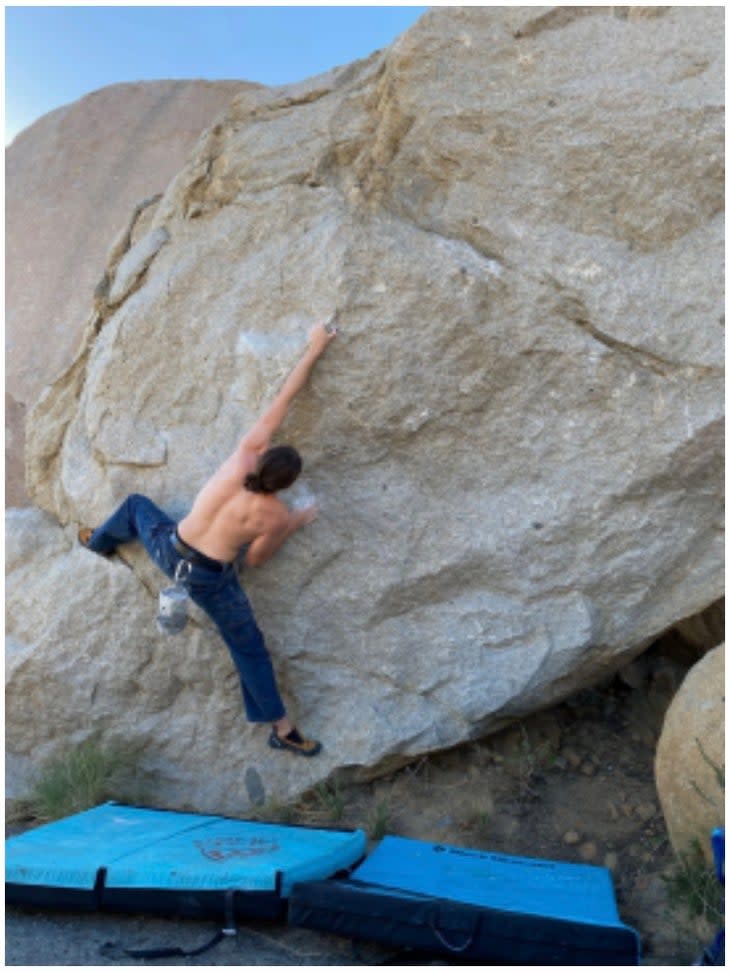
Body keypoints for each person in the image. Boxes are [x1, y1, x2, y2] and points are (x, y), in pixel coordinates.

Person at [78, 321, 337, 757]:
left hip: (165, 546)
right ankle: (283, 729)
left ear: (263, 458)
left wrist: (312, 349)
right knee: (249, 648)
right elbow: (255, 561)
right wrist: (296, 521)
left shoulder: (244, 455)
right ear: (285, 484)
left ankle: (98, 543)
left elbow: (282, 401)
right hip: (205, 580)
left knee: (137, 505)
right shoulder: (273, 514)